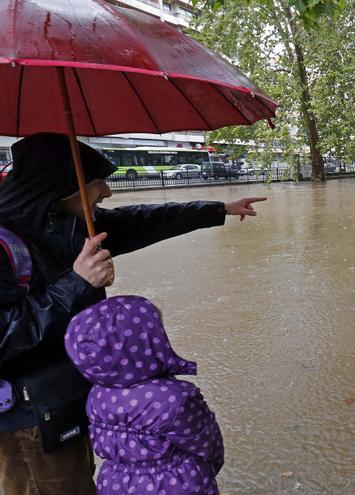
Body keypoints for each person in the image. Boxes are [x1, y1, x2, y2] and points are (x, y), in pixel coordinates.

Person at [0, 133, 265, 494]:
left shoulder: (67, 223)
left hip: (68, 402)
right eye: (96, 183)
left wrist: (218, 209)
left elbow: (143, 220)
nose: (107, 192)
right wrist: (76, 284)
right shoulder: (6, 244)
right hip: (28, 421)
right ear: (60, 188)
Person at [65, 295, 223, 495]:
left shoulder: (96, 394)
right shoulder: (176, 397)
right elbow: (208, 445)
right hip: (177, 484)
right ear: (147, 345)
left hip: (115, 483)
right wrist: (205, 474)